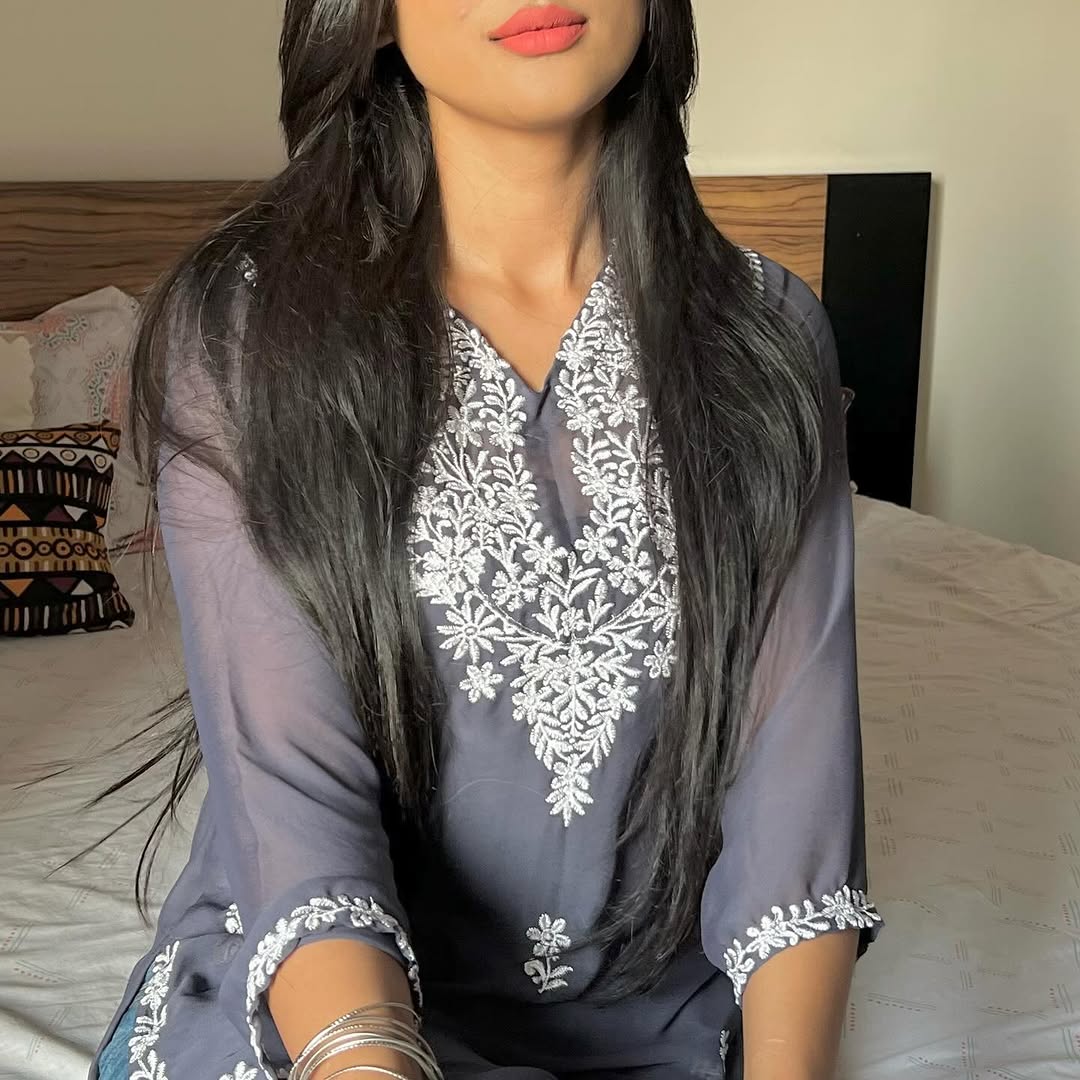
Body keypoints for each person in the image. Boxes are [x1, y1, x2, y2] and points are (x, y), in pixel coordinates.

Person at [93, 2, 882, 1078]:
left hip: (661, 1023)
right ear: (372, 17)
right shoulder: (245, 334)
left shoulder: (766, 335)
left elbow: (796, 787)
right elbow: (293, 803)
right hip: (325, 1010)